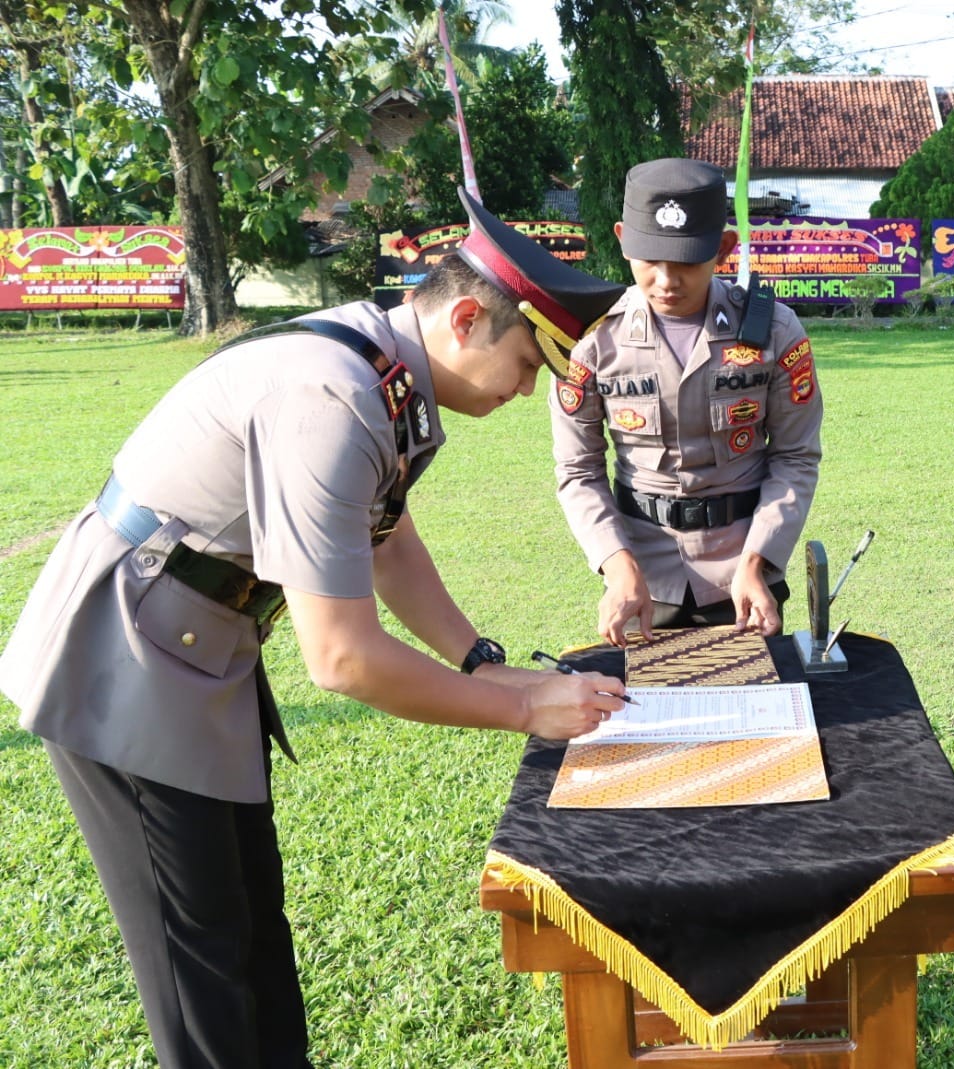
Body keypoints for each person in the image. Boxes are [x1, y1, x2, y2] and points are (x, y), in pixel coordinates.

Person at [0, 190, 632, 1069]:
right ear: (462, 317)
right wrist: (525, 709)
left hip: (201, 640)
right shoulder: (335, 397)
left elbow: (386, 536)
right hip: (127, 656)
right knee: (201, 966)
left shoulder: (388, 370)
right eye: (529, 361)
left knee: (255, 930)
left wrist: (481, 661)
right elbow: (341, 658)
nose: (528, 389)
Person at [549, 158, 823, 646]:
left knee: (756, 714)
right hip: (643, 577)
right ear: (621, 239)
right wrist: (618, 567)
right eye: (650, 259)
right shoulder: (591, 340)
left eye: (686, 262)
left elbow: (795, 457)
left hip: (745, 570)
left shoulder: (774, 331)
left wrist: (758, 561)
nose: (665, 280)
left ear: (723, 248)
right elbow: (578, 471)